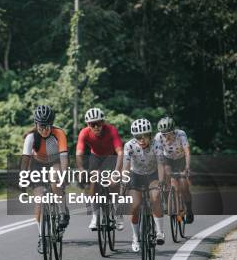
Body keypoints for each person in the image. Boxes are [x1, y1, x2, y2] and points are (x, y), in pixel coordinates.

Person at [21, 105, 70, 254]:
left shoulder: (59, 133)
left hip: (55, 162)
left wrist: (63, 175)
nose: (44, 129)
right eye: (41, 126)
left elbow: (64, 159)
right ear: (36, 124)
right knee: (39, 201)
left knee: (55, 179)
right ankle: (42, 237)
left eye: (47, 126)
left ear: (52, 124)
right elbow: (25, 161)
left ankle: (62, 213)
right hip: (38, 165)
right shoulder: (31, 137)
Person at [76, 107, 124, 231]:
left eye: (99, 123)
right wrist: (81, 169)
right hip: (96, 158)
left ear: (103, 122)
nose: (96, 127)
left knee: (113, 184)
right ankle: (95, 216)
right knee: (93, 182)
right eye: (93, 124)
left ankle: (118, 214)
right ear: (88, 125)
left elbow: (120, 153)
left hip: (111, 157)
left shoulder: (111, 130)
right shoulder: (84, 133)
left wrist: (117, 172)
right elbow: (79, 153)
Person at [123, 118, 166, 252]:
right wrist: (124, 182)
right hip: (136, 175)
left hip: (152, 175)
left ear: (150, 135)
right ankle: (136, 237)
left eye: (145, 136)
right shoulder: (129, 145)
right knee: (135, 206)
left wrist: (161, 181)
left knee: (155, 197)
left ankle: (159, 232)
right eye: (138, 137)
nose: (141, 140)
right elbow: (126, 166)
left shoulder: (157, 144)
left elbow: (160, 165)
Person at [154, 117, 194, 223]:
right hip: (167, 159)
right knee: (166, 177)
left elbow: (187, 152)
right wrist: (161, 178)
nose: (166, 137)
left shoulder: (181, 134)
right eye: (164, 134)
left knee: (184, 185)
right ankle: (168, 203)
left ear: (174, 131)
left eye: (168, 134)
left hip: (180, 159)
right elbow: (159, 158)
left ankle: (189, 209)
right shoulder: (158, 137)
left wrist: (187, 167)